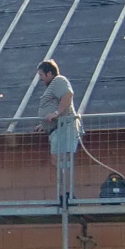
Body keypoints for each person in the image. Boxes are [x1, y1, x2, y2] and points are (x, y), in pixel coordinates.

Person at [34, 58, 78, 205]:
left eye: (41, 75)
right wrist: (44, 125)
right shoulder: (52, 85)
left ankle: (68, 196)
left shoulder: (59, 80)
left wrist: (57, 113)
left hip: (64, 127)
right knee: (57, 161)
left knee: (61, 160)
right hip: (57, 128)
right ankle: (64, 195)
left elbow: (68, 94)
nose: (40, 78)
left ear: (49, 73)